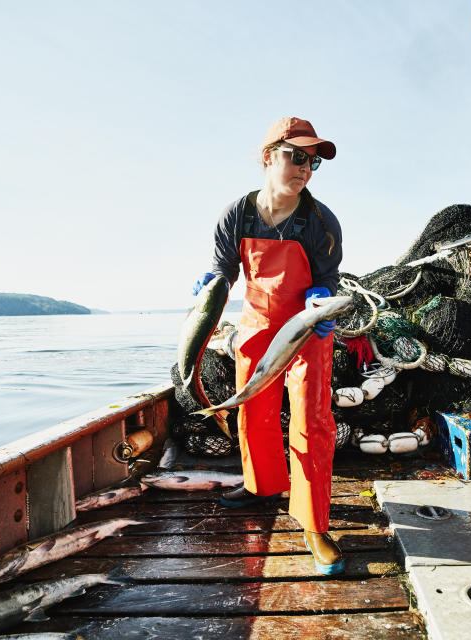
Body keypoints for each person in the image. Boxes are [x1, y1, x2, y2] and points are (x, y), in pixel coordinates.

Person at [191, 117, 345, 574]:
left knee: (312, 420)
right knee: (253, 412)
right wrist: (212, 285)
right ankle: (261, 485)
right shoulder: (235, 215)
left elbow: (326, 279)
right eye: (296, 156)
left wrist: (322, 301)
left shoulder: (320, 221)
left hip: (306, 331)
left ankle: (314, 522)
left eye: (312, 162)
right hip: (257, 325)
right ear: (267, 156)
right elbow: (225, 270)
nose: (305, 168)